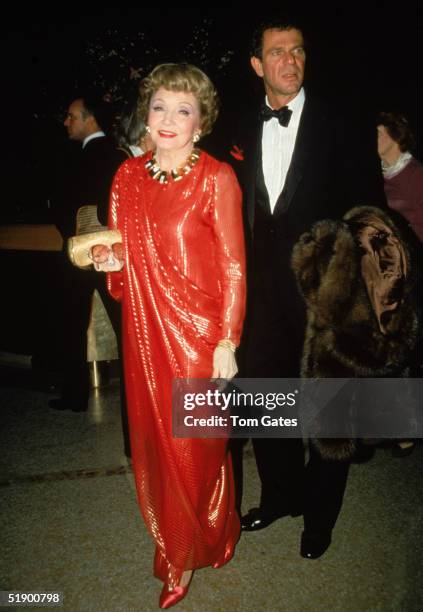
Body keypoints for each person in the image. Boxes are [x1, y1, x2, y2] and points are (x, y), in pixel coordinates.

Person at [91, 63, 246, 608]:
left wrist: (227, 340)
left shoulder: (217, 178)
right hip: (146, 333)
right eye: (159, 107)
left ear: (201, 121)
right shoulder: (126, 178)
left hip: (201, 337)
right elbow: (117, 269)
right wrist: (110, 261)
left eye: (184, 109)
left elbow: (232, 266)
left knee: (198, 448)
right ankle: (207, 538)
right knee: (161, 448)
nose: (168, 119)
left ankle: (181, 556)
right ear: (145, 114)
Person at [231, 18, 385, 559]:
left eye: (297, 50)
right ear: (257, 65)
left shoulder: (343, 121)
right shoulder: (237, 127)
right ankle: (280, 496)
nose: (290, 61)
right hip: (260, 298)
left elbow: (370, 211)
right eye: (277, 52)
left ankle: (319, 518)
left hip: (327, 293)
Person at [49, 93, 127, 418]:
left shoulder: (81, 157)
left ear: (89, 119)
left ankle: (75, 394)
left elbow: (63, 204)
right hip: (112, 250)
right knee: (125, 324)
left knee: (73, 321)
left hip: (84, 251)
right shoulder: (118, 154)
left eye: (72, 116)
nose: (67, 122)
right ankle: (136, 395)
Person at [377, 111, 423, 457]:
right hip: (386, 277)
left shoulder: (415, 174)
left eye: (376, 132)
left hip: (415, 277)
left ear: (394, 134)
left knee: (403, 353)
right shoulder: (376, 177)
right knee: (385, 353)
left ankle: (405, 432)